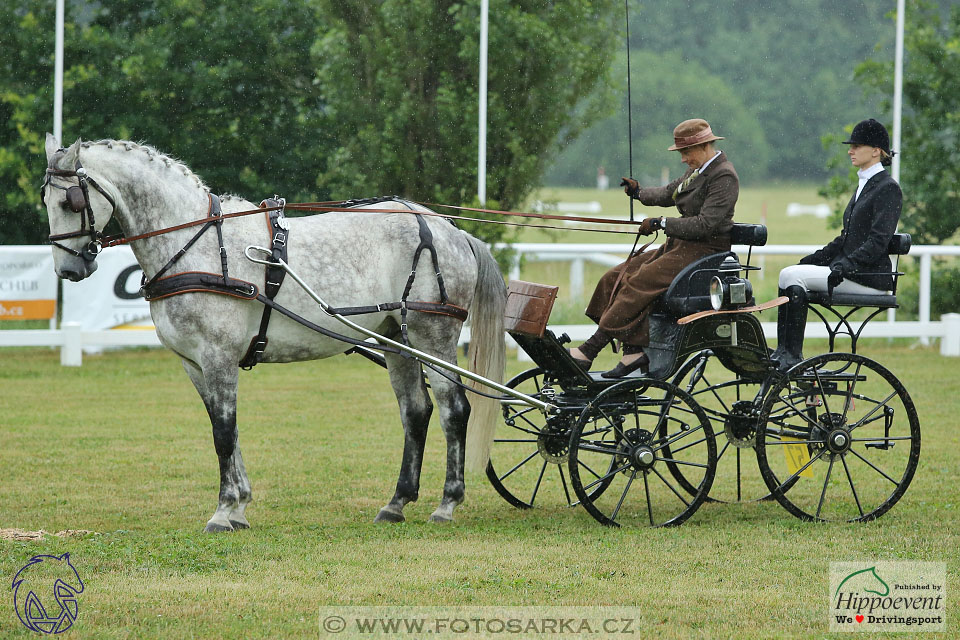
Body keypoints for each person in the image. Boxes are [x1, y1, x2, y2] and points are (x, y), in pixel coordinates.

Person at [569, 118, 739, 378]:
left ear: (704, 146)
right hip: (680, 247)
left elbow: (706, 225)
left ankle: (589, 351)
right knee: (615, 277)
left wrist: (662, 223)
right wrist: (638, 193)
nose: (683, 158)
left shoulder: (723, 175)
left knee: (639, 282)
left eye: (686, 152)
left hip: (705, 253)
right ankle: (633, 350)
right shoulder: (698, 171)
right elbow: (669, 192)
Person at [771, 118, 901, 370]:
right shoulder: (864, 185)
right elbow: (846, 238)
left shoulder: (888, 188)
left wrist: (846, 265)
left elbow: (877, 241)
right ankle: (783, 350)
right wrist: (816, 258)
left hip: (869, 277)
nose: (850, 151)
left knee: (792, 277)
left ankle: (792, 355)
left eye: (857, 146)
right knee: (788, 274)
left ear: (876, 151)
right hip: (852, 271)